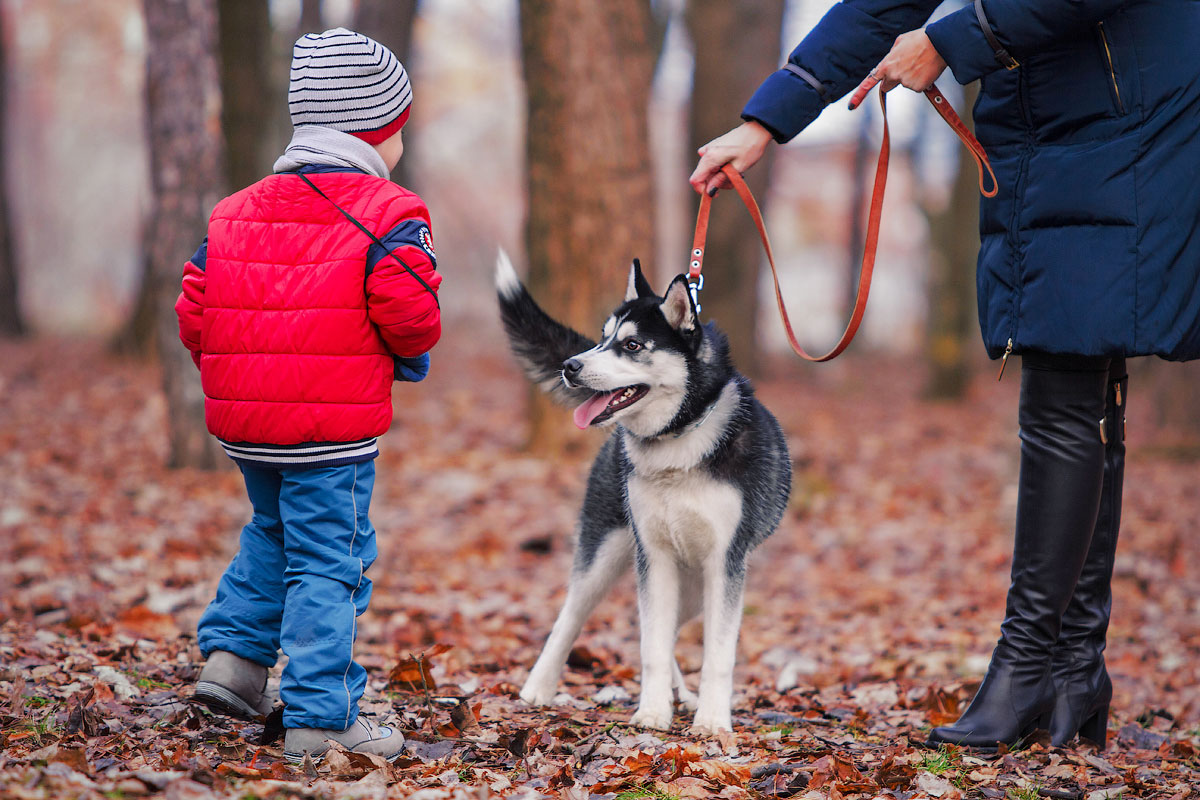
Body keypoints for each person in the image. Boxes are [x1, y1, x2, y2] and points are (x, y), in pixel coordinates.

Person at [691, 0, 1200, 750]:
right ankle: (1072, 673)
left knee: (1069, 375)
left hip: (1135, 114)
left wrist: (955, 38)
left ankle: (1032, 667)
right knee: (1081, 377)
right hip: (1047, 121)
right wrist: (766, 121)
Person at [175, 28, 442, 763]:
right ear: (377, 130)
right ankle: (323, 717)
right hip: (332, 432)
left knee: (272, 531)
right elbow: (412, 313)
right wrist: (407, 355)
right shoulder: (388, 211)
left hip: (247, 422)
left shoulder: (235, 210)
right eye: (399, 131)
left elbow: (194, 309)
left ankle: (233, 663)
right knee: (332, 556)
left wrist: (240, 369)